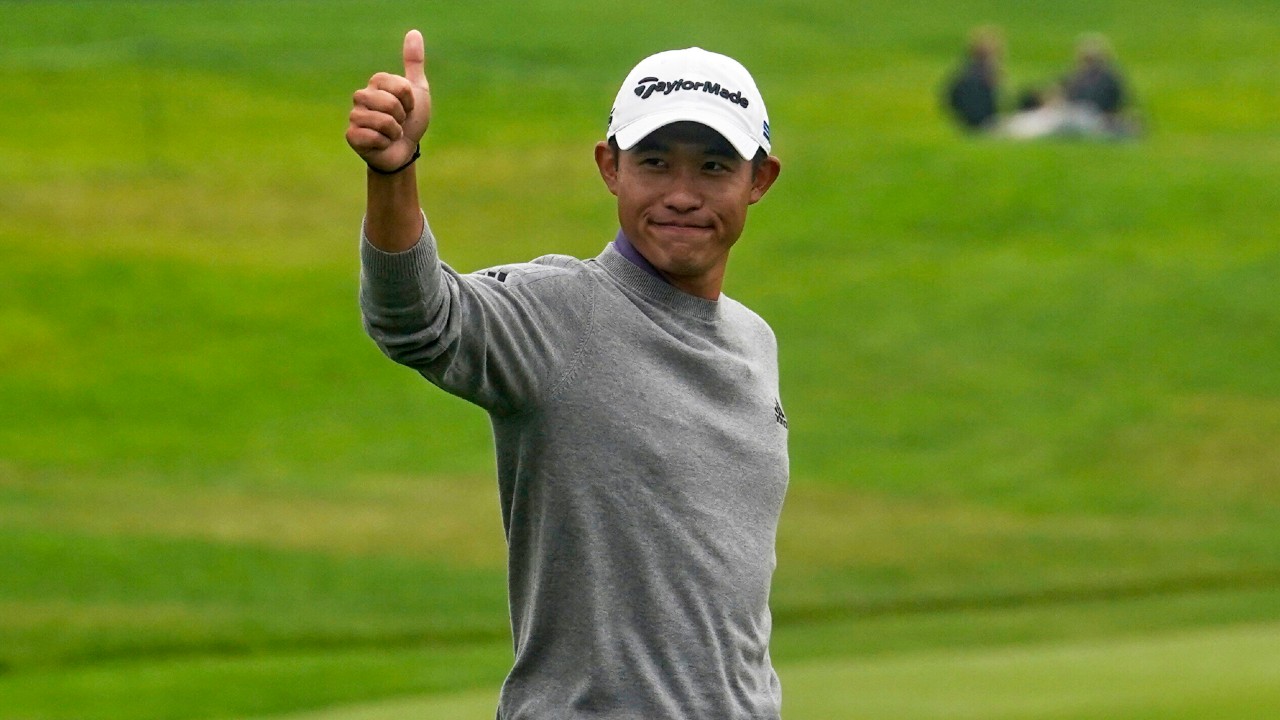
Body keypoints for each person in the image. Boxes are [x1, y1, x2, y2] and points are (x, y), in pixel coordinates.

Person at [345, 28, 787, 720]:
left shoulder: (755, 344)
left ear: (759, 180)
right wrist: (394, 172)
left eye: (712, 167)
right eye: (655, 162)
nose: (681, 193)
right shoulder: (559, 315)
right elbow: (416, 320)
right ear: (611, 168)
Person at [942, 26, 1003, 131]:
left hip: (966, 122)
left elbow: (950, 99)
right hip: (985, 123)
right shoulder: (986, 75)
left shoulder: (963, 72)